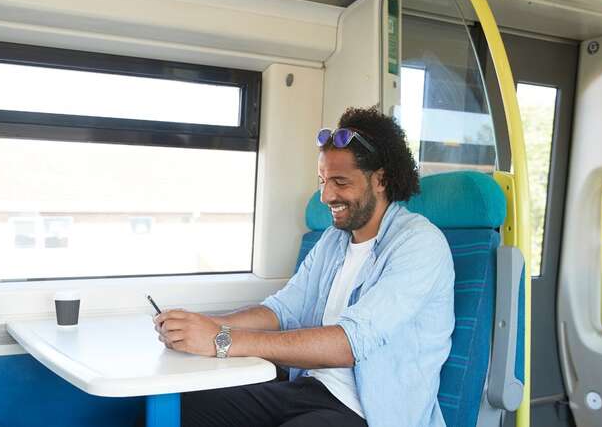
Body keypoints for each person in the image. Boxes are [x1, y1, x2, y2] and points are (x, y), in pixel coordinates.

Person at [153, 106, 455, 427]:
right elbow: (281, 312)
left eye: (340, 181)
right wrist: (202, 325)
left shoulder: (419, 244)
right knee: (185, 409)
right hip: (308, 390)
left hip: (369, 413)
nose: (325, 195)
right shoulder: (333, 241)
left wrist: (221, 341)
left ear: (380, 180)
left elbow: (351, 343)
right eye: (323, 180)